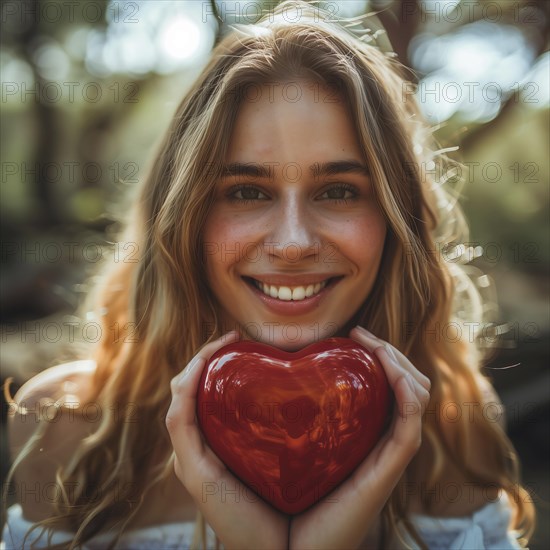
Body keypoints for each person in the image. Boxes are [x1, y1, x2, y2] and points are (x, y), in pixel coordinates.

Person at [2, 1, 535, 548]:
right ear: (183, 217)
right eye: (246, 192)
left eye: (338, 191)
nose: (293, 243)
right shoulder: (68, 429)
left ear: (395, 221)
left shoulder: (456, 425)